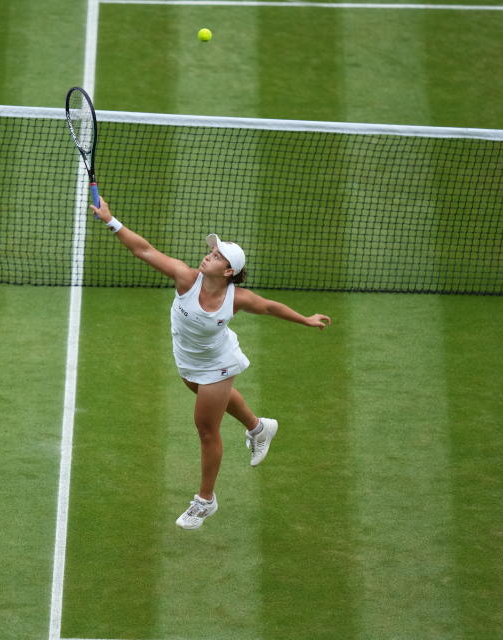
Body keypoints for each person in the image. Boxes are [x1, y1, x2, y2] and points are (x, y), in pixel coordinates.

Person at [90, 197, 331, 530]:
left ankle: (205, 501)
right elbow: (144, 251)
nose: (209, 255)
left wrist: (305, 319)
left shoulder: (238, 299)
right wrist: (110, 220)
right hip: (189, 360)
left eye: (218, 256)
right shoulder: (186, 278)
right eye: (212, 251)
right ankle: (259, 427)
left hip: (217, 362)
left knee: (206, 429)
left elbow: (271, 307)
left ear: (228, 271)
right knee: (204, 393)